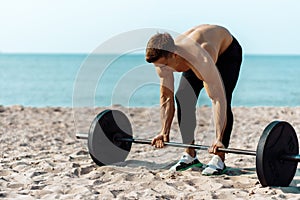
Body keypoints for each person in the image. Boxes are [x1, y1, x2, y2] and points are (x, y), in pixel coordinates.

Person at [145, 24, 242, 175]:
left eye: (164, 65)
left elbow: (217, 99)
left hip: (226, 54)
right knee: (183, 97)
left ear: (174, 55)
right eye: (159, 66)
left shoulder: (201, 57)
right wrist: (164, 131)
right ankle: (190, 155)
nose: (161, 69)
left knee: (223, 95)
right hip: (190, 57)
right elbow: (166, 96)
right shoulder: (161, 59)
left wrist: (218, 139)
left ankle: (219, 158)